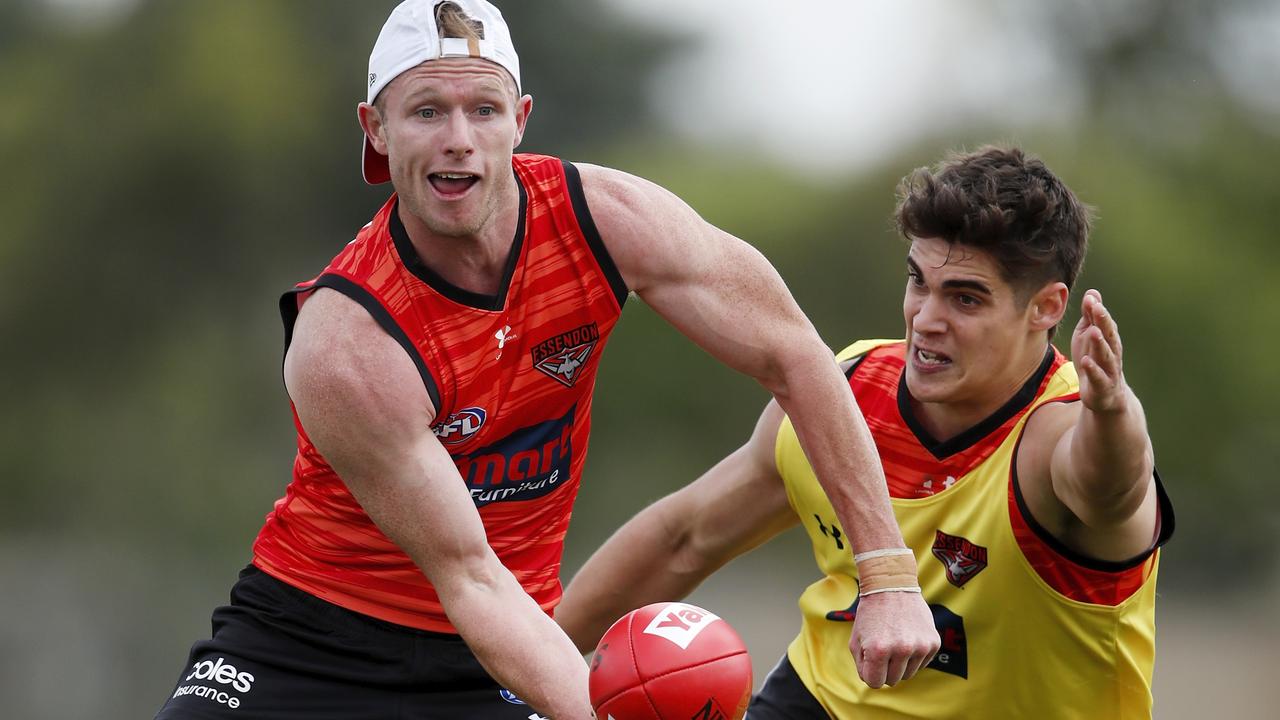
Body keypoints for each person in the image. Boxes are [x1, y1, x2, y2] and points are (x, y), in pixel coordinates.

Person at [153, 2, 938, 718]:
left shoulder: (608, 220)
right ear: (376, 128)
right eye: (426, 110)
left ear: (520, 119)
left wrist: (890, 575)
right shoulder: (345, 338)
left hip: (501, 651)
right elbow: (467, 573)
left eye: (482, 109)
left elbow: (797, 359)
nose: (458, 137)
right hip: (309, 642)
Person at [555, 145, 1175, 719]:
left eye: (965, 299)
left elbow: (1112, 487)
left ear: (1045, 308)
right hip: (821, 702)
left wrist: (1114, 409)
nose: (925, 320)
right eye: (919, 282)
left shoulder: (1061, 435)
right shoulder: (845, 390)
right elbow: (685, 538)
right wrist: (520, 670)